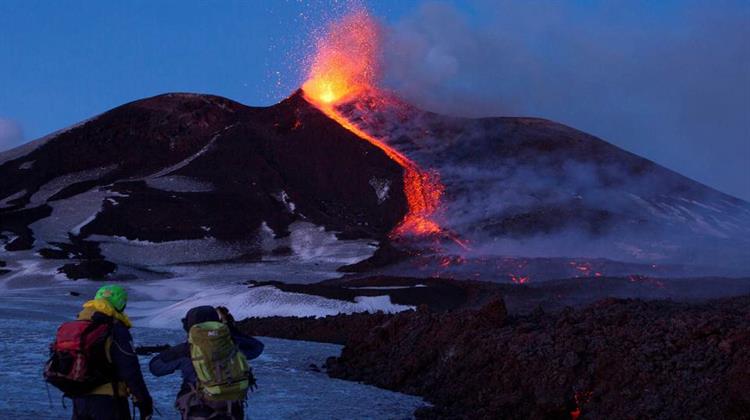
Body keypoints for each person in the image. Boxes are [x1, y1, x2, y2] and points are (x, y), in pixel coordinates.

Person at [149, 305, 264, 419]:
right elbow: (257, 348)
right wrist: (230, 330)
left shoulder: (185, 350)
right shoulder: (234, 345)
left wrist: (170, 352)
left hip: (198, 411)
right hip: (232, 409)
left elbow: (155, 368)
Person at [72, 284, 154, 420]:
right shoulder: (114, 328)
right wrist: (143, 400)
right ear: (120, 303)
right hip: (109, 400)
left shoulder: (79, 325)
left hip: (79, 398)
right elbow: (129, 369)